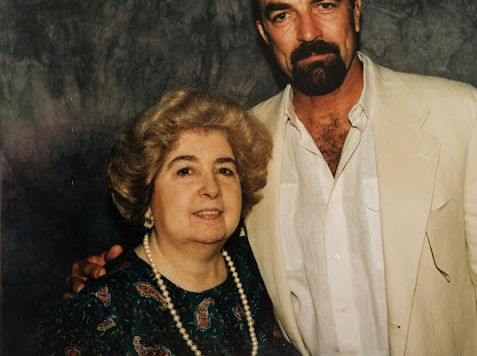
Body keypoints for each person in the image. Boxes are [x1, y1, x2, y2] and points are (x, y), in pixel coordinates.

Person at [68, 0, 477, 354]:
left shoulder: (464, 119)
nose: (308, 32)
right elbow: (197, 253)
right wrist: (115, 279)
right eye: (283, 14)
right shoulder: (238, 145)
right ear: (264, 33)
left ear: (356, 11)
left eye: (324, 5)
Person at [43, 90, 298, 355]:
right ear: (145, 197)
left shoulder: (262, 269)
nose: (212, 188)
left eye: (224, 170)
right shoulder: (96, 313)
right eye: (185, 171)